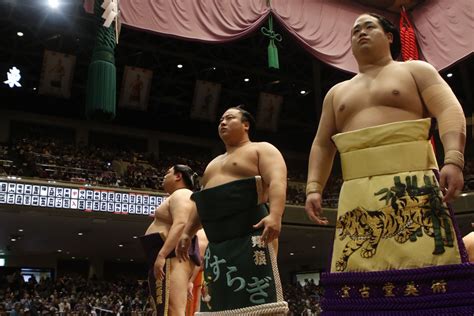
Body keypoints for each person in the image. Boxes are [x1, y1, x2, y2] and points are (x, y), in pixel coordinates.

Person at [305, 12, 473, 314]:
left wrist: (454, 159)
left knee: (431, 267)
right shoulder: (336, 93)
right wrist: (313, 187)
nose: (361, 33)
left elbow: (449, 109)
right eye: (355, 30)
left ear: (390, 36)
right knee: (357, 276)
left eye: (369, 26)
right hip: (357, 193)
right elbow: (322, 143)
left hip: (413, 184)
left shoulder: (414, 71)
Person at [176, 106, 289, 314]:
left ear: (246, 125)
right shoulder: (212, 165)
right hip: (218, 244)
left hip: (252, 233)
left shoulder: (262, 149)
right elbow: (203, 203)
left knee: (259, 303)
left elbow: (277, 180)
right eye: (220, 120)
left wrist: (275, 215)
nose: (223, 123)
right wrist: (187, 232)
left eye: (229, 118)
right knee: (219, 304)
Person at [139, 164, 201, 316]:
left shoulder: (182, 194)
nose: (164, 176)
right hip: (169, 257)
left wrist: (162, 254)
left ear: (178, 176)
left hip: (171, 257)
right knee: (166, 311)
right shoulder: (180, 195)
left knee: (172, 311)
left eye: (168, 173)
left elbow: (181, 223)